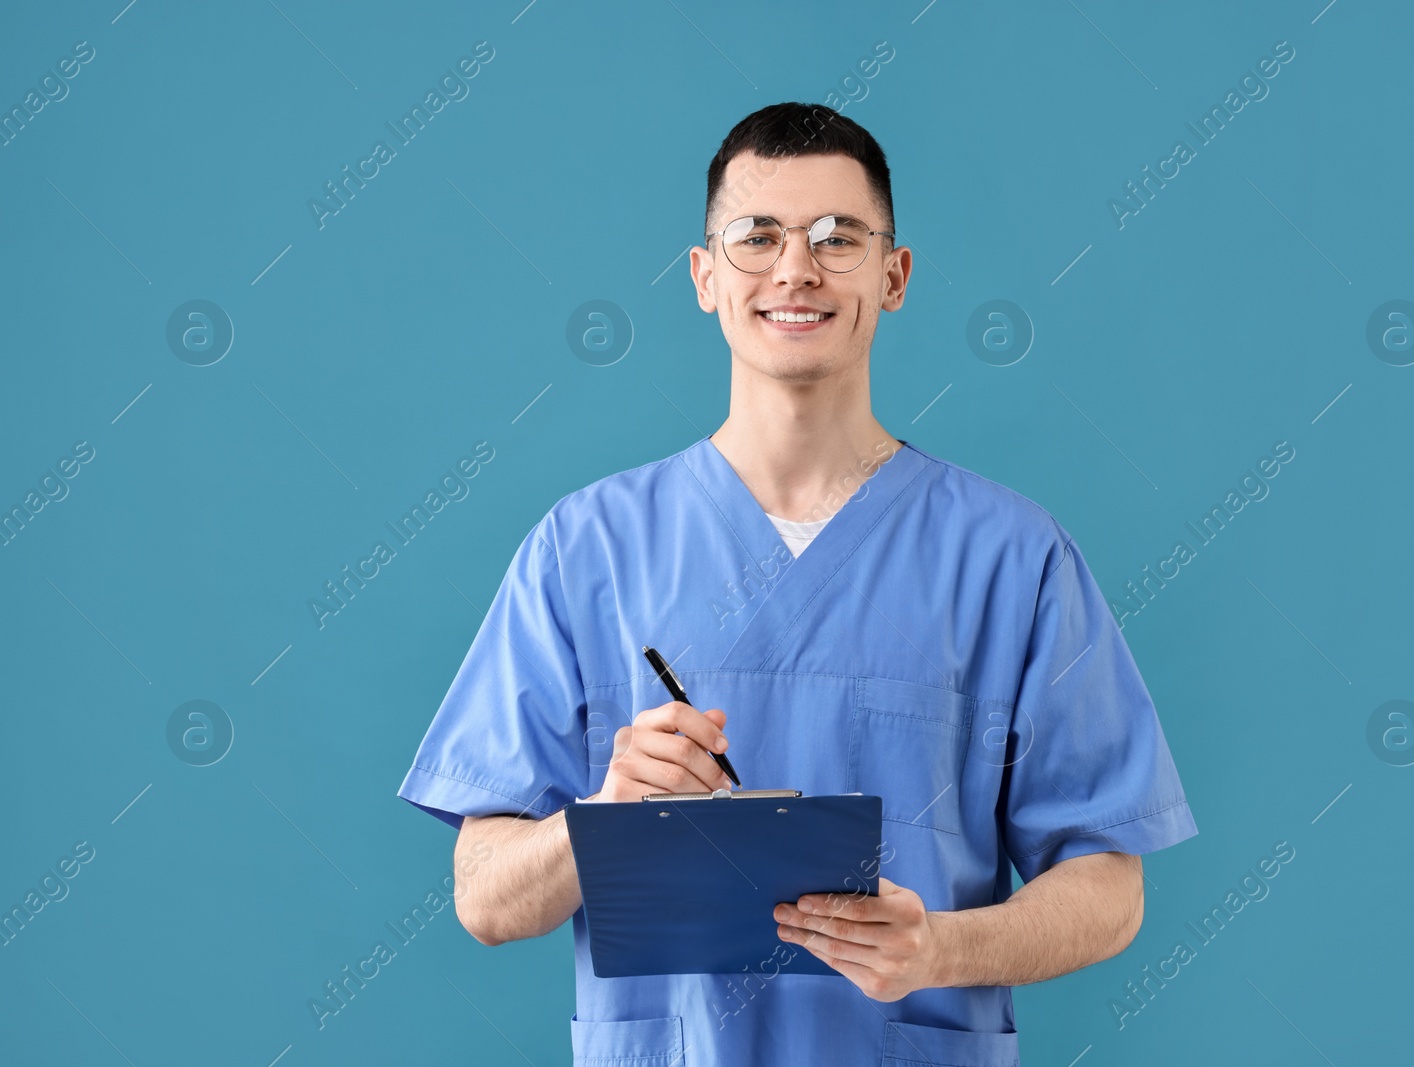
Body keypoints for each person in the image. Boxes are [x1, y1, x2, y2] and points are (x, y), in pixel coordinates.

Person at [397, 101, 1197, 1066]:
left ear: (894, 275)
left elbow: (1110, 887)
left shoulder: (1012, 557)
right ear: (703, 276)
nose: (795, 269)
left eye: (837, 237)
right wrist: (602, 821)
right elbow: (484, 899)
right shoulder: (587, 549)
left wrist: (941, 947)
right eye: (757, 237)